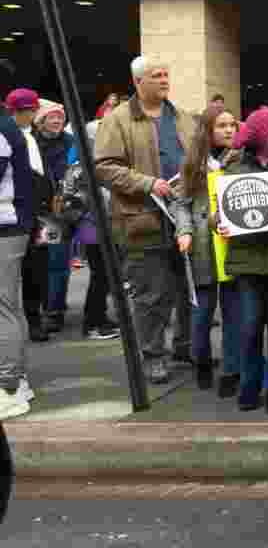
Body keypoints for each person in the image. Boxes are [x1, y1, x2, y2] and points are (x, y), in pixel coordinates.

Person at [95, 56, 195, 385]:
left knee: (188, 288)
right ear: (138, 82)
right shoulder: (118, 120)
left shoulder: (181, 117)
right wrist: (147, 183)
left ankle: (186, 345)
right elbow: (105, 167)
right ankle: (153, 355)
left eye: (167, 74)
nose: (165, 80)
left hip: (184, 216)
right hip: (142, 221)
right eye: (157, 76)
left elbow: (196, 157)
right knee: (151, 295)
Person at [218, 107, 268, 414]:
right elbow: (219, 209)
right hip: (247, 262)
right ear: (260, 135)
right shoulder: (235, 168)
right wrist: (218, 222)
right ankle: (250, 388)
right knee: (249, 329)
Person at [174, 107, 241, 394]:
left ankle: (231, 370)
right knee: (202, 313)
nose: (228, 130)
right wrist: (184, 231)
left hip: (232, 243)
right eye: (221, 125)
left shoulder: (241, 160)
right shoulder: (193, 162)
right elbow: (182, 203)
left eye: (232, 125)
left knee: (234, 312)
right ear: (208, 130)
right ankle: (200, 362)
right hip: (202, 245)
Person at [60, 122, 121, 340]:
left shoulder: (91, 163)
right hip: (93, 228)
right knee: (100, 276)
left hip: (101, 226)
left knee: (104, 276)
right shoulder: (84, 166)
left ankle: (100, 318)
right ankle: (93, 323)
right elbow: (84, 199)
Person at [0, 63, 36, 420]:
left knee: (4, 307)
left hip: (6, 228)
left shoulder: (1, 128)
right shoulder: (9, 127)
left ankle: (9, 386)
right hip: (12, 227)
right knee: (10, 304)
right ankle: (16, 378)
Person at [6, 89, 48, 344]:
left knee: (36, 270)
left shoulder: (34, 136)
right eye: (28, 111)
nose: (32, 115)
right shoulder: (8, 136)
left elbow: (44, 172)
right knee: (10, 274)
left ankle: (35, 319)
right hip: (13, 216)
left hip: (37, 214)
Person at [33, 101, 76, 335]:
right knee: (41, 263)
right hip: (39, 210)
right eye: (53, 118)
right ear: (41, 121)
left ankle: (54, 312)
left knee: (58, 261)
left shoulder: (70, 142)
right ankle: (47, 305)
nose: (58, 121)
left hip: (60, 211)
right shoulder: (32, 142)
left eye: (60, 117)